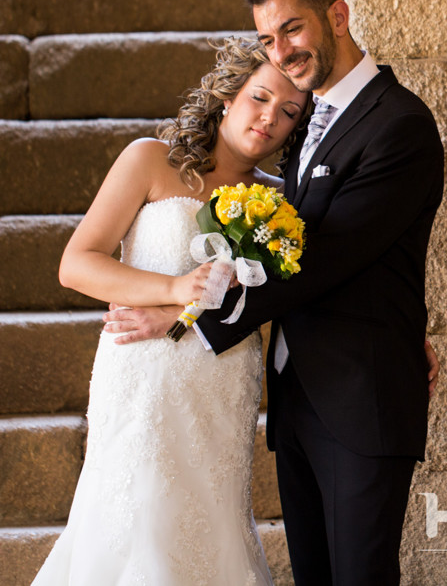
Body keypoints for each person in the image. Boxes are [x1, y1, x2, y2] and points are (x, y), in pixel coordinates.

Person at [106, 0, 446, 585]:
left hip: (359, 400)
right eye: (267, 39)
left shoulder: (399, 123)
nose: (283, 50)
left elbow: (324, 258)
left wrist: (187, 320)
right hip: (299, 400)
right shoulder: (313, 117)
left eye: (293, 28)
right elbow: (289, 247)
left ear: (337, 16)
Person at [32, 37, 310, 585]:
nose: (269, 118)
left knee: (208, 525)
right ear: (229, 95)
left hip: (222, 377)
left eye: (288, 112)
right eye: (259, 97)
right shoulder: (150, 160)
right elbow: (76, 264)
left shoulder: (282, 204)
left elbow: (286, 296)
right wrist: (175, 287)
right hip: (142, 371)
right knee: (137, 518)